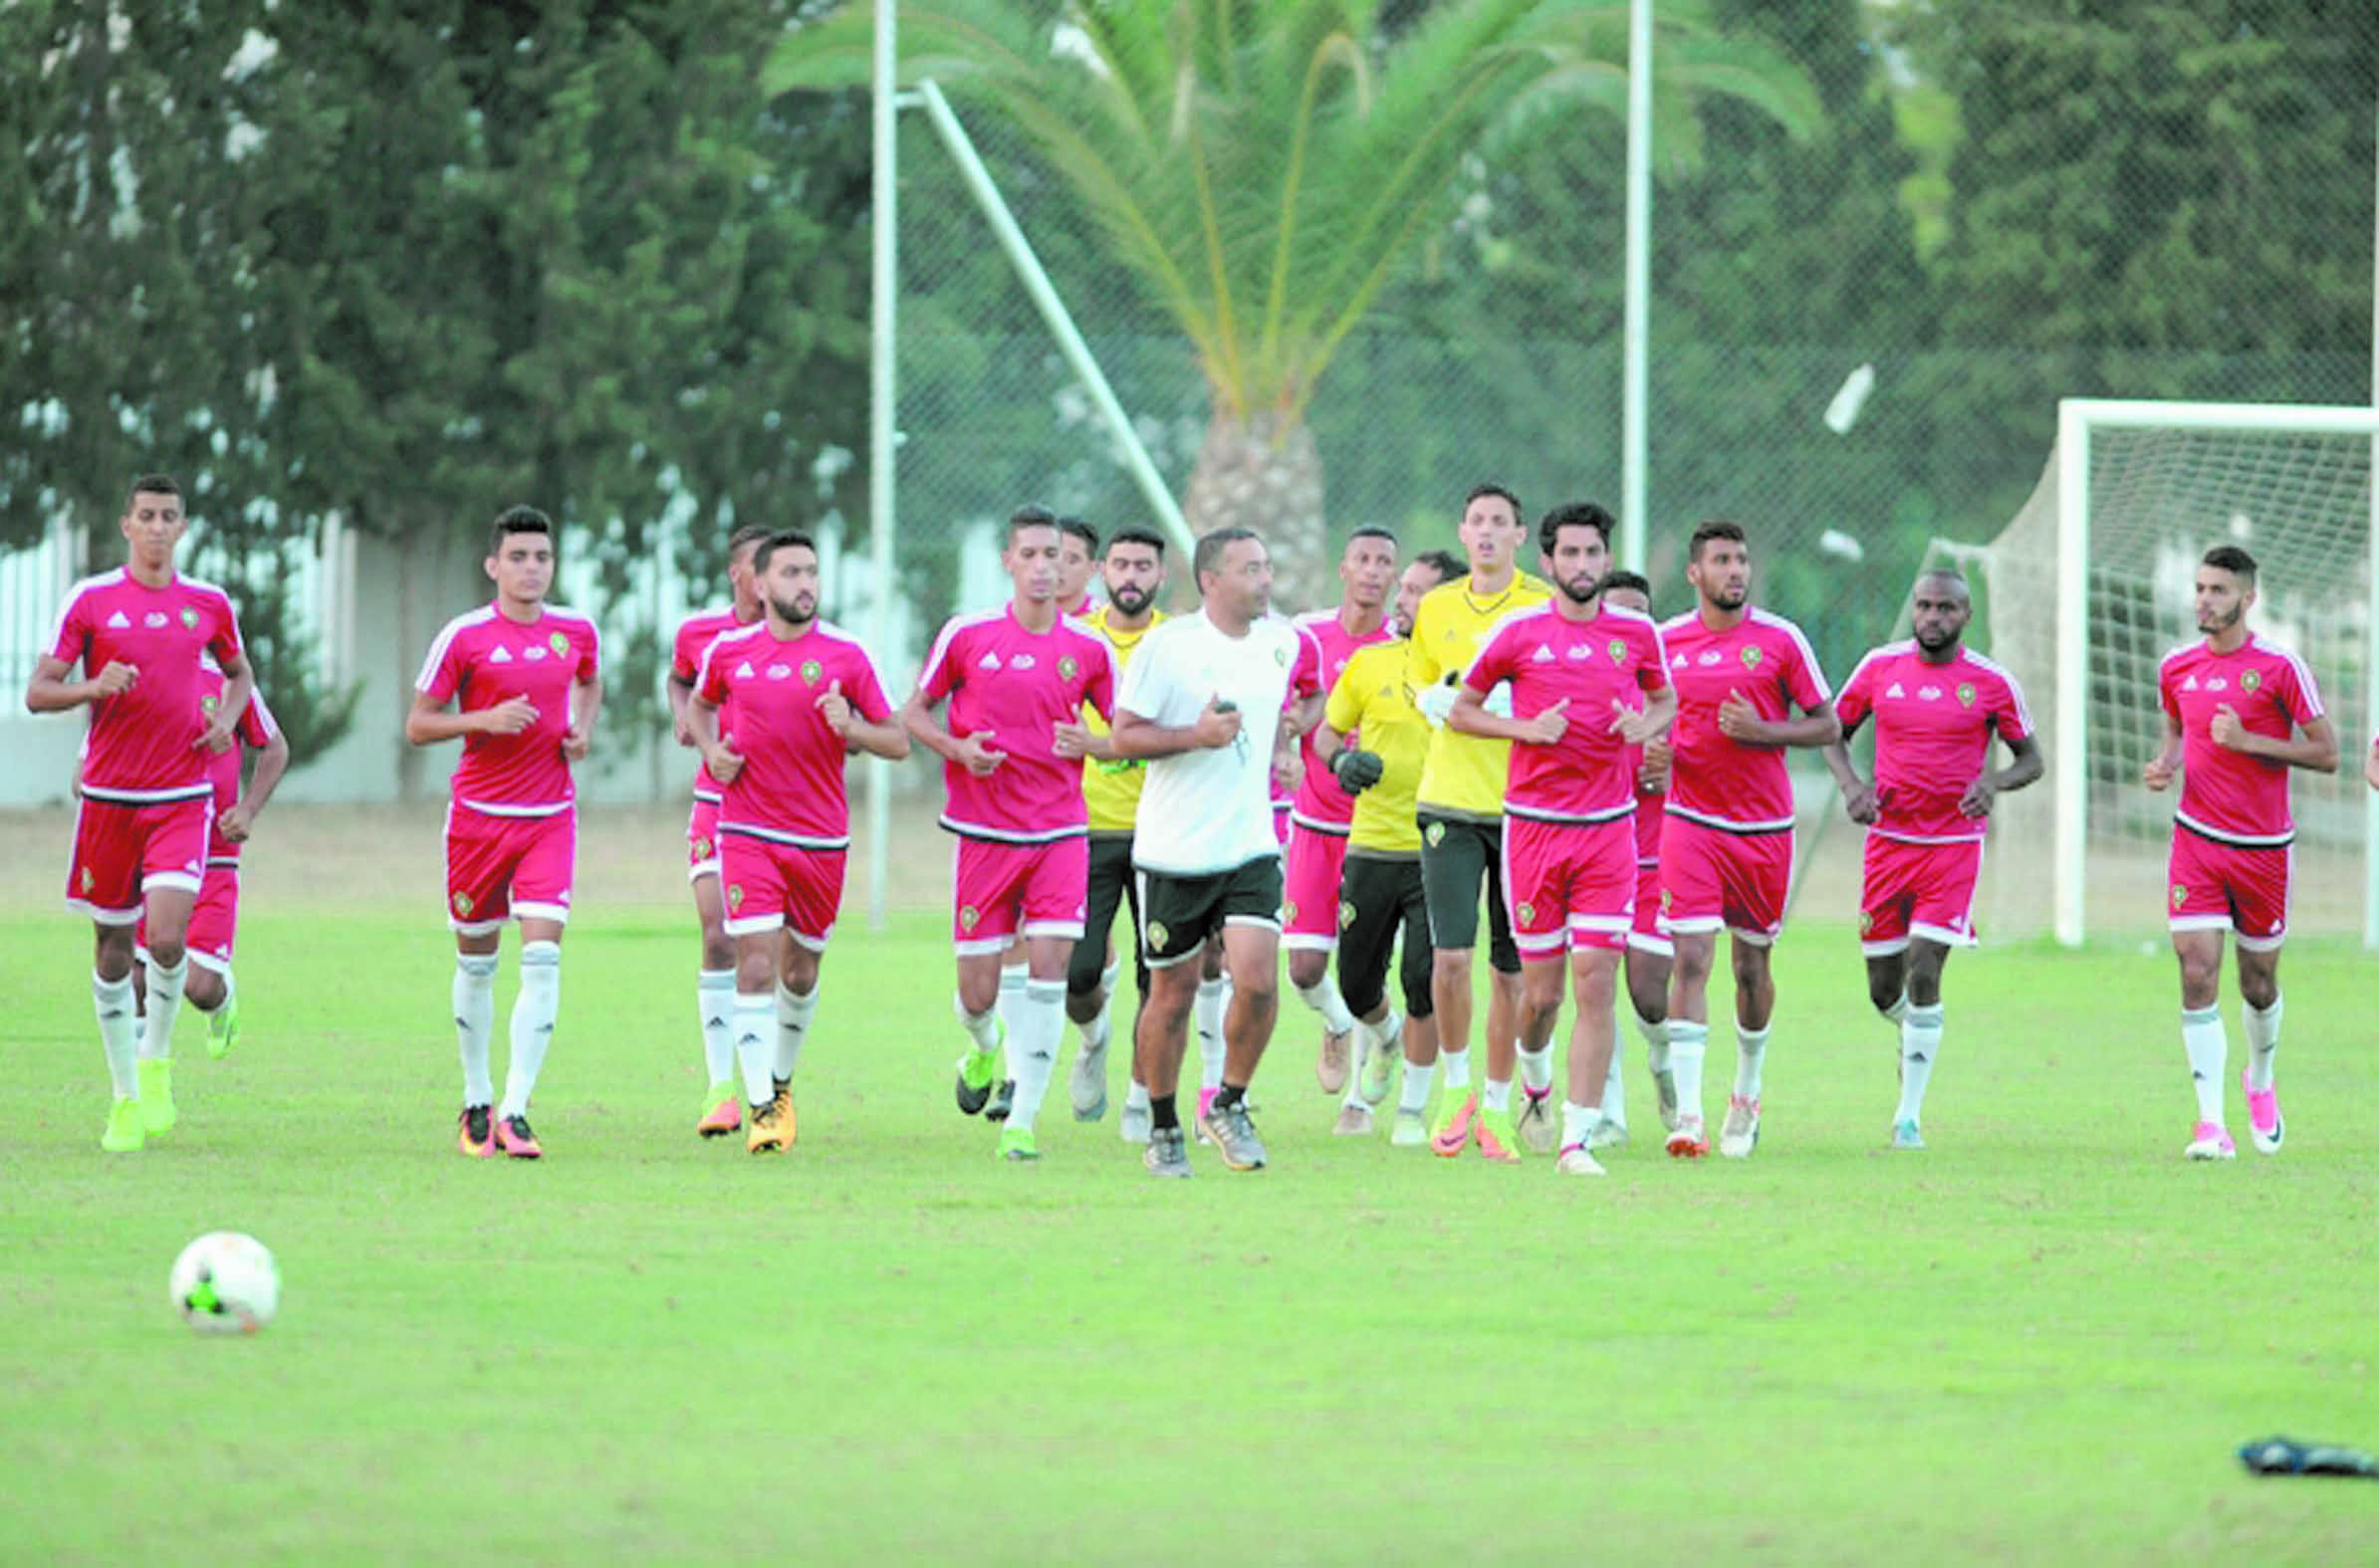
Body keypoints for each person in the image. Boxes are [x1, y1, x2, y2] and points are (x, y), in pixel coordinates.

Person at [28, 475, 255, 1152]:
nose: (158, 527)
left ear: (183, 528)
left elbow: (240, 675)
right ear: (126, 524)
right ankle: (124, 1098)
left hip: (181, 799)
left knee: (164, 939)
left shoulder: (208, 604)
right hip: (108, 802)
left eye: (169, 517)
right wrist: (95, 686)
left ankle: (155, 1062)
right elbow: (40, 690)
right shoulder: (92, 600)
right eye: (146, 516)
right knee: (111, 949)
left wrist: (228, 724)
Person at [1451, 504, 1673, 1176]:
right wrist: (1523, 729)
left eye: (1593, 553)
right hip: (1533, 832)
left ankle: (1576, 1136)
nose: (1582, 565)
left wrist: (1645, 725)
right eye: (1569, 554)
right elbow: (1461, 710)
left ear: (1606, 559)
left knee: (1595, 981)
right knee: (1540, 995)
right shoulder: (1518, 632)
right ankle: (1536, 1079)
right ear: (1547, 562)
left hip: (1608, 832)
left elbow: (1663, 698)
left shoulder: (1635, 634)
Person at [902, 506, 1115, 1162]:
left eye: (1054, 554)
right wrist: (955, 749)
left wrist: (1096, 743)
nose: (1045, 567)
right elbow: (912, 712)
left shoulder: (1088, 648)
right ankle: (985, 1045)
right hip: (982, 834)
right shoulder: (967, 636)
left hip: (1059, 833)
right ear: (1008, 562)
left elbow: (1124, 734)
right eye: (1030, 554)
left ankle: (1021, 1120)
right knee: (978, 994)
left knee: (1051, 967)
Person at [689, 530, 908, 1154]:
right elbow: (700, 709)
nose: (805, 584)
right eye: (790, 573)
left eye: (811, 572)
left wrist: (855, 728)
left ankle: (780, 1082)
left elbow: (898, 742)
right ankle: (760, 1106)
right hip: (747, 830)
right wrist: (711, 750)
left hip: (821, 838)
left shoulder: (847, 654)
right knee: (753, 962)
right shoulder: (730, 651)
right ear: (760, 585)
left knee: (801, 971)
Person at [406, 506, 602, 1160]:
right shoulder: (464, 637)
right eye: (517, 557)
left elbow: (589, 680)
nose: (531, 568)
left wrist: (581, 728)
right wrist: (483, 720)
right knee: (477, 962)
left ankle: (517, 1110)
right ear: (493, 566)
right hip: (477, 822)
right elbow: (418, 723)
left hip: (549, 818)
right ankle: (476, 1096)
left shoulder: (574, 630)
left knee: (543, 955)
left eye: (541, 557)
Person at [1822, 568, 2041, 1149]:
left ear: (1966, 615)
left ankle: (1908, 1119)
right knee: (1883, 988)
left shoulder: (1991, 683)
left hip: (1953, 848)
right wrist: (1852, 787)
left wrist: (1995, 782)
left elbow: (2031, 760)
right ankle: (1919, 1030)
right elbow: (1830, 730)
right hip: (1888, 846)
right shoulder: (1879, 667)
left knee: (1925, 970)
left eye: (1945, 608)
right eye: (1923, 605)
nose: (1932, 617)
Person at [1108, 527, 1302, 1177]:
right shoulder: (1169, 647)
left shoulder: (1283, 643)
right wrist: (1194, 734)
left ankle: (1230, 1102)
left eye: (1267, 566)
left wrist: (1290, 747)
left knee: (1258, 979)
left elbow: (1302, 701)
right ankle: (1162, 1127)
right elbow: (1123, 736)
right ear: (1210, 580)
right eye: (1250, 569)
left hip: (1249, 846)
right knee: (1172, 993)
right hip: (1172, 852)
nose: (1265, 579)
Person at [2143, 545, 2336, 1160]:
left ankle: (2260, 1079)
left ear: (2248, 600)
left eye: (2218, 591)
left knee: (2257, 984)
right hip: (2196, 841)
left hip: (2263, 850)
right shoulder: (2175, 666)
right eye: (2200, 588)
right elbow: (2176, 726)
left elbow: (2328, 753)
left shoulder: (2281, 668)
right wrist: (2166, 762)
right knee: (2197, 972)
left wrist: (2250, 740)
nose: (2204, 600)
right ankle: (2210, 1124)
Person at [1656, 520, 1838, 1159]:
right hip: (1690, 824)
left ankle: (1747, 1092)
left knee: (1750, 967)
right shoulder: (1665, 642)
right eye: (1721, 560)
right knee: (1691, 959)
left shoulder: (1782, 640)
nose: (1735, 570)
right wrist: (1652, 753)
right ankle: (1687, 1116)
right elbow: (1641, 717)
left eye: (1741, 559)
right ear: (1694, 574)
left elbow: (1829, 725)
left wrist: (1764, 731)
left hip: (1763, 831)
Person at [1408, 484, 1553, 1160]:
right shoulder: (1436, 607)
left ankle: (1497, 1107)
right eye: (1477, 522)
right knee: (1449, 956)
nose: (1488, 532)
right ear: (1461, 533)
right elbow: (1424, 693)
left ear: (1520, 535)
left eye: (1501, 522)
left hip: (1523, 807)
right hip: (1448, 800)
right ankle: (1455, 1087)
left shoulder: (1540, 606)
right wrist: (1442, 697)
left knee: (1510, 972)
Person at [1313, 550, 1466, 1140]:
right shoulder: (1370, 664)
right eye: (1403, 589)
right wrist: (1343, 760)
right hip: (1371, 844)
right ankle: (1384, 1037)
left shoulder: (1470, 672)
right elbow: (1326, 732)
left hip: (1439, 843)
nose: (1401, 600)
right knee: (1355, 984)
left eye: (1417, 591)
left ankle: (1411, 1109)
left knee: (1425, 977)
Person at [1283, 528, 1399, 1093]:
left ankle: (1360, 1097)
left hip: (1378, 835)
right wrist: (1285, 747)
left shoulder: (1403, 648)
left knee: (1367, 970)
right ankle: (1337, 1024)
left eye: (1384, 562)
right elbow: (1286, 705)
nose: (1373, 570)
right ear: (1343, 568)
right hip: (1312, 825)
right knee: (1304, 968)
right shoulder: (1307, 634)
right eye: (1363, 559)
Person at [130, 655, 290, 1060]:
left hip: (214, 852)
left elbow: (274, 747)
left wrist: (248, 809)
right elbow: (92, 758)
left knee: (200, 989)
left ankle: (222, 1002)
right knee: (136, 976)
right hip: (152, 850)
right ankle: (138, 1083)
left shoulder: (228, 682)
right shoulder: (137, 676)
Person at [666, 522, 770, 1139]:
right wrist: (689, 722)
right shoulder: (701, 634)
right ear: (738, 574)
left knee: (772, 959)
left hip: (782, 815)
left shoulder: (804, 641)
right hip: (716, 800)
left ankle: (770, 1084)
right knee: (716, 937)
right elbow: (681, 678)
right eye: (764, 568)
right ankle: (720, 1089)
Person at [1065, 526, 1168, 1134]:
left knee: (1156, 973)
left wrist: (1107, 744)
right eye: (1122, 564)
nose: (1131, 576)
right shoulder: (1078, 640)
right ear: (1104, 570)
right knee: (1079, 973)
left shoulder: (1177, 643)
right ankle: (1093, 1036)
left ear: (1161, 575)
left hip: (1162, 833)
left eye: (1144, 566)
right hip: (1087, 828)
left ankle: (1138, 1097)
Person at [1599, 568, 1673, 1146]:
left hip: (1657, 863)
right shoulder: (1578, 678)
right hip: (1595, 853)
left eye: (1638, 615)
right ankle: (1609, 1115)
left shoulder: (1670, 688)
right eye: (1617, 613)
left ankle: (1663, 1058)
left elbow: (1710, 758)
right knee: (1593, 986)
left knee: (1650, 999)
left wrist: (1673, 768)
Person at [1057, 515, 1100, 617]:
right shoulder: (1019, 617)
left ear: (1092, 569)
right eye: (1052, 556)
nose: (1059, 568)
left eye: (1072, 560)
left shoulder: (1106, 623)